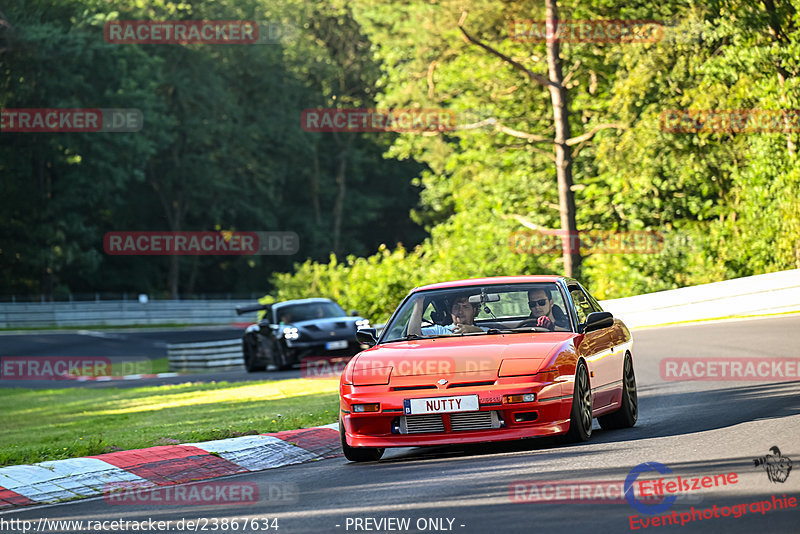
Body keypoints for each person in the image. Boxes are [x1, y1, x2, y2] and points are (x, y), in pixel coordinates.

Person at [408, 292, 486, 336]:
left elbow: (496, 335)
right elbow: (413, 335)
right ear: (450, 311)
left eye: (465, 307)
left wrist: (473, 330)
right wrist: (419, 303)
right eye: (456, 307)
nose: (460, 311)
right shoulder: (439, 330)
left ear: (474, 311)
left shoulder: (486, 331)